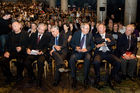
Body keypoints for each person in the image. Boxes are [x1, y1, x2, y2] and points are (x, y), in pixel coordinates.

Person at [93, 24, 121, 88]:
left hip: (108, 53)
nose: (98, 29)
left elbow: (113, 42)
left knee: (118, 62)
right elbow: (96, 40)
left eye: (100, 28)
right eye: (98, 28)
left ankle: (111, 78)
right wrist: (106, 39)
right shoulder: (96, 35)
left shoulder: (109, 35)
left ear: (104, 29)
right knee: (96, 62)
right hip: (99, 53)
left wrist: (103, 44)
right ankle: (97, 77)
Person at [69, 23, 94, 88]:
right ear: (82, 28)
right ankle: (74, 78)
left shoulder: (90, 34)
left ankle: (86, 78)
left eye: (88, 28)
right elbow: (71, 43)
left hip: (86, 52)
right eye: (87, 28)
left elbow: (92, 45)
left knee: (88, 59)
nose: (88, 30)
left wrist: (87, 49)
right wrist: (76, 47)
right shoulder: (76, 34)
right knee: (72, 59)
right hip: (78, 52)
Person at [24, 23, 49, 88]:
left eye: (43, 30)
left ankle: (39, 80)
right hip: (33, 53)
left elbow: (47, 47)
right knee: (26, 62)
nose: (41, 31)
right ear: (37, 28)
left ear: (44, 30)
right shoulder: (33, 35)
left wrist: (42, 51)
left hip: (41, 53)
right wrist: (29, 48)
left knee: (40, 62)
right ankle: (32, 76)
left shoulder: (46, 36)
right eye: (40, 29)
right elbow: (29, 44)